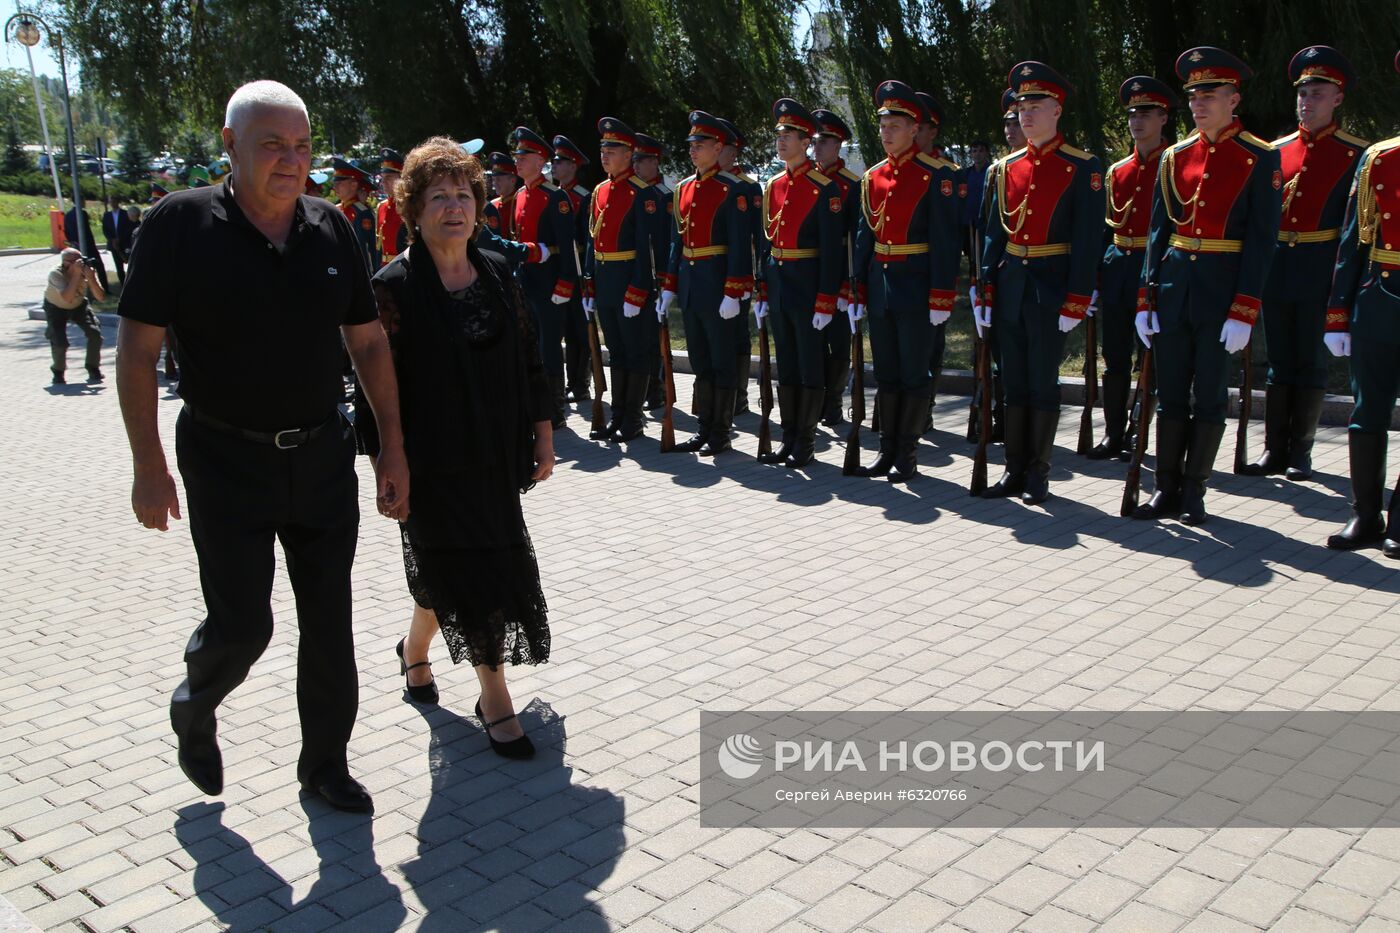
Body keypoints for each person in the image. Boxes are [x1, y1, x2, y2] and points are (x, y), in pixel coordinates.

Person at [115, 80, 409, 813]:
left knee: (329, 622)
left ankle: (325, 764)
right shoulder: (179, 225)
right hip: (224, 459)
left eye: (302, 145)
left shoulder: (333, 228)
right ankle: (196, 700)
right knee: (244, 624)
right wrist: (148, 466)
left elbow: (368, 342)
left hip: (320, 456)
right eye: (272, 144)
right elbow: (135, 352)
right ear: (230, 145)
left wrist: (392, 448)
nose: (291, 160)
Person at [354, 136, 554, 757]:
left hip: (494, 455)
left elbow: (529, 360)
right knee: (471, 570)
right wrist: (389, 461)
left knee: (461, 566)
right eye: (437, 196)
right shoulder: (391, 288)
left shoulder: (497, 272)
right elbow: (370, 388)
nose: (453, 207)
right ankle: (494, 698)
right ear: (412, 210)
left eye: (463, 194)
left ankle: (414, 652)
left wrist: (543, 433)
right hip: (430, 463)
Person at [1132, 47, 1281, 525]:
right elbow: (1158, 232)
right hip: (1175, 289)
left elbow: (1261, 242)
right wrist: (1146, 295)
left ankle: (1195, 489)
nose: (1198, 103)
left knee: (1211, 395)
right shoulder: (1176, 156)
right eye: (1194, 95)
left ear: (1233, 99)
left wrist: (1245, 308)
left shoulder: (1259, 158)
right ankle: (1166, 487)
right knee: (1172, 393)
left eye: (1210, 94)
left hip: (1222, 292)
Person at [977, 62, 1104, 505]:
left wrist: (1077, 298)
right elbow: (994, 234)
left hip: (1050, 287)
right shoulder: (1003, 168)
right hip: (1010, 286)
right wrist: (984, 290)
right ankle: (1014, 467)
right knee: (1013, 383)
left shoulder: (1082, 167)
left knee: (1042, 383)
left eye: (1036, 106)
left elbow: (1088, 242)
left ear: (1057, 110)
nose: (1026, 115)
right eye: (1021, 106)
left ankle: (1038, 472)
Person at [1241, 46, 1365, 481]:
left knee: (1311, 360)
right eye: (1303, 93)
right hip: (1278, 263)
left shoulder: (1356, 155)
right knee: (1279, 359)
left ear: (1338, 99)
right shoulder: (1275, 151)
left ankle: (1302, 451)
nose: (1306, 101)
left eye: (1317, 93)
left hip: (1321, 263)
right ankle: (1275, 447)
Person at [850, 80, 960, 483]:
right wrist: (857, 290)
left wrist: (941, 296)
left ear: (915, 129)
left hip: (917, 286)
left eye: (894, 125)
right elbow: (865, 239)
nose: (886, 132)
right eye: (882, 125)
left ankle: (908, 454)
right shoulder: (873, 176)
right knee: (888, 373)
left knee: (915, 374)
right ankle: (886, 449)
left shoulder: (937, 175)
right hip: (881, 286)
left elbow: (946, 244)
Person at [1321, 50, 1400, 558]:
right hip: (1382, 298)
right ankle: (1365, 514)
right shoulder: (1380, 158)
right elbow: (1354, 242)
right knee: (1368, 410)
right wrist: (1338, 312)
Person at [657, 111, 753, 454]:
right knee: (700, 359)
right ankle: (704, 427)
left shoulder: (732, 189)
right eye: (691, 145)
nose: (694, 150)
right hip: (690, 283)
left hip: (717, 283)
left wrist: (733, 291)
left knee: (721, 360)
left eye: (701, 144)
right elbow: (676, 242)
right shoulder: (682, 188)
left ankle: (721, 431)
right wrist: (669, 286)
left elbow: (741, 247)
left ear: (718, 147)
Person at [754, 98, 843, 468]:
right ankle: (787, 435)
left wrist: (825, 300)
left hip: (807, 284)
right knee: (785, 363)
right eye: (779, 134)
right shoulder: (773, 185)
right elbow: (764, 243)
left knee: (809, 363)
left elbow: (832, 252)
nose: (782, 140)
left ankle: (805, 439)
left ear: (806, 140)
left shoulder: (825, 188)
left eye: (789, 135)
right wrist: (762, 287)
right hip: (779, 282)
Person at [1091, 75, 1175, 460]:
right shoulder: (1117, 171)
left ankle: (1139, 428)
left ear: (1163, 118)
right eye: (1132, 113)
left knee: (1151, 356)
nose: (1137, 120)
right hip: (1119, 266)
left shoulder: (1174, 164)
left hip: (1154, 266)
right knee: (1115, 355)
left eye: (1146, 113)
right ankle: (1113, 433)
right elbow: (1105, 230)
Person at [582, 118, 662, 442]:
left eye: (612, 149)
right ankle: (617, 415)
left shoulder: (643, 194)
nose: (605, 154)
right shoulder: (600, 191)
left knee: (636, 350)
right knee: (614, 349)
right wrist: (588, 282)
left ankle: (633, 417)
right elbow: (591, 240)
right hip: (605, 280)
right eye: (603, 148)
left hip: (630, 280)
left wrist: (638, 289)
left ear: (629, 154)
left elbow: (647, 249)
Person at [505, 126, 577, 427]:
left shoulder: (555, 196)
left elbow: (567, 243)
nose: (518, 161)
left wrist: (565, 283)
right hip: (527, 280)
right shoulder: (520, 195)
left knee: (549, 348)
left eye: (524, 155)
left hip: (549, 282)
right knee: (529, 345)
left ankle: (555, 410)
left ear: (540, 160)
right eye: (517, 155)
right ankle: (535, 406)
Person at [811, 108, 861, 426]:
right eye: (814, 141)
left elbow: (856, 241)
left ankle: (834, 401)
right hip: (809, 272)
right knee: (813, 340)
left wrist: (846, 287)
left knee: (838, 342)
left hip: (840, 272)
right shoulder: (806, 180)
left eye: (824, 141)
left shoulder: (852, 185)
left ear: (838, 144)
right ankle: (816, 400)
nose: (817, 147)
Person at [717, 118, 763, 417]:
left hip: (737, 272)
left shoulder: (747, 187)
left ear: (733, 152)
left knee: (736, 334)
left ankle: (739, 394)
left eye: (722, 147)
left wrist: (749, 280)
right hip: (709, 273)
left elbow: (755, 237)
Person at [552, 134, 594, 403]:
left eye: (560, 162)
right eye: (554, 162)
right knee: (565, 330)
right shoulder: (553, 195)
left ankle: (582, 383)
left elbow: (587, 239)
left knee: (580, 330)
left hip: (577, 271)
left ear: (573, 166)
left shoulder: (583, 197)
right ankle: (571, 381)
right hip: (556, 271)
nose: (554, 167)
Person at [633, 132, 672, 413]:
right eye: (633, 160)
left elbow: (667, 242)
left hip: (658, 276)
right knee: (641, 336)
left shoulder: (665, 197)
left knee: (655, 336)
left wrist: (666, 280)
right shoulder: (636, 195)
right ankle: (645, 386)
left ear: (654, 162)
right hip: (636, 275)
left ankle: (658, 388)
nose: (635, 165)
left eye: (641, 160)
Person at [43, 247, 106, 385]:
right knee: (60, 341)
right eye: (76, 261)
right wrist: (76, 275)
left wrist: (91, 278)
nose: (81, 263)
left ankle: (93, 367)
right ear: (66, 262)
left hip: (79, 305)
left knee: (94, 333)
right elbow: (67, 298)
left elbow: (101, 297)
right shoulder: (56, 274)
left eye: (81, 260)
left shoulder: (84, 271)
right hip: (56, 307)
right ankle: (58, 372)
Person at [332, 158, 378, 269]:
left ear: (353, 185)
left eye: (339, 183)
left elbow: (364, 249)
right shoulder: (338, 209)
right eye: (335, 183)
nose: (335, 187)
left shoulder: (361, 212)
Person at [63, 203, 111, 293]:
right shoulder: (82, 213)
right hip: (87, 245)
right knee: (99, 266)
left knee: (80, 269)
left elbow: (66, 230)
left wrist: (72, 241)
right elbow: (86, 230)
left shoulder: (68, 215)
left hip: (75, 245)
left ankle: (84, 290)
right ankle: (104, 289)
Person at [376, 148, 409, 266]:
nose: (383, 182)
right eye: (382, 177)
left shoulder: (409, 205)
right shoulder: (382, 206)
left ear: (401, 178)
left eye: (389, 177)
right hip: (384, 269)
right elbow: (379, 249)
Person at [102, 195, 130, 283]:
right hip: (113, 244)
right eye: (111, 202)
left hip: (125, 243)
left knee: (129, 263)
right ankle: (123, 283)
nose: (113, 204)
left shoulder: (125, 214)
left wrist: (120, 238)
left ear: (118, 202)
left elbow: (128, 228)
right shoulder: (107, 215)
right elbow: (105, 229)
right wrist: (112, 239)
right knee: (118, 266)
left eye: (114, 201)